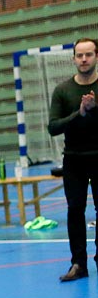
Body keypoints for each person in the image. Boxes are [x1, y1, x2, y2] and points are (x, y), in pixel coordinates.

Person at [47, 37, 98, 282]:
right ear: (74, 58)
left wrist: (94, 108)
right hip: (74, 160)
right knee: (75, 210)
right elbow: (53, 127)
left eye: (88, 54)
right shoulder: (63, 90)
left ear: (96, 57)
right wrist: (79, 113)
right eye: (80, 55)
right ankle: (78, 264)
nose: (84, 59)